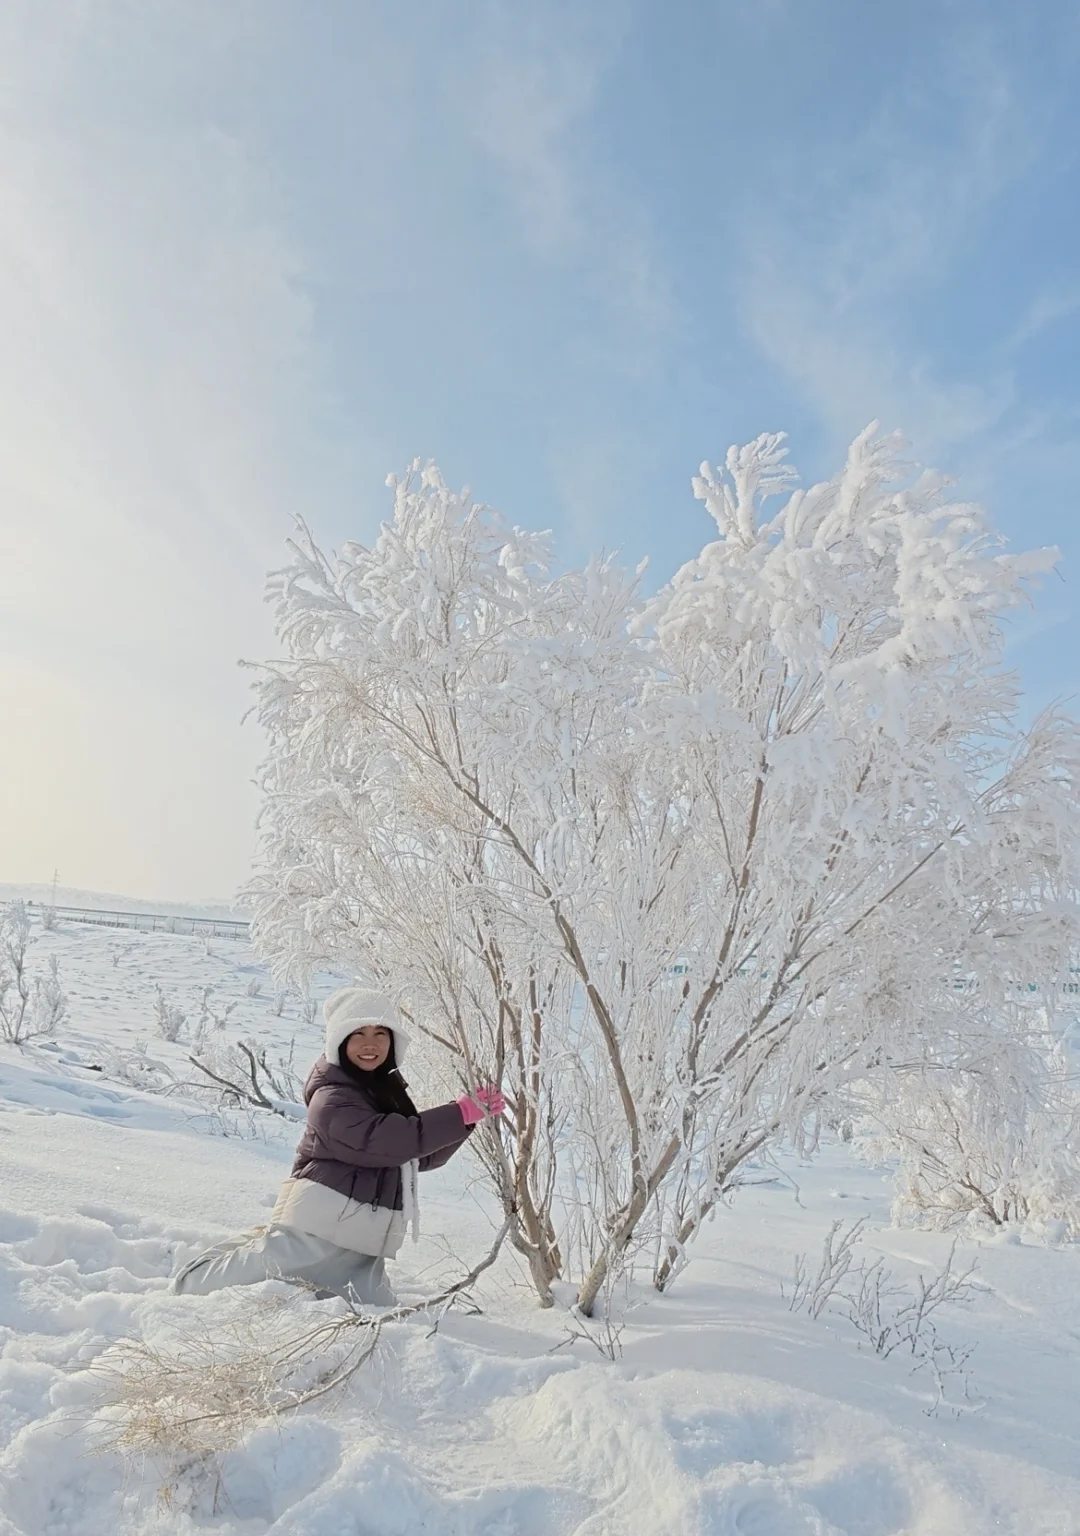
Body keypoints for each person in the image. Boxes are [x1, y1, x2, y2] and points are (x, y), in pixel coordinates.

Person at [172, 987, 504, 1305]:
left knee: (379, 1313)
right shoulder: (332, 1097)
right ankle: (206, 1268)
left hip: (361, 1247)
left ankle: (265, 1243)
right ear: (339, 1040)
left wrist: (467, 1119)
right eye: (358, 1033)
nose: (370, 1044)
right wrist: (458, 1114)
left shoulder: (381, 1090)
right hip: (315, 1236)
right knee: (206, 1286)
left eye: (380, 1033)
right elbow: (386, 1140)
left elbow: (418, 1154)